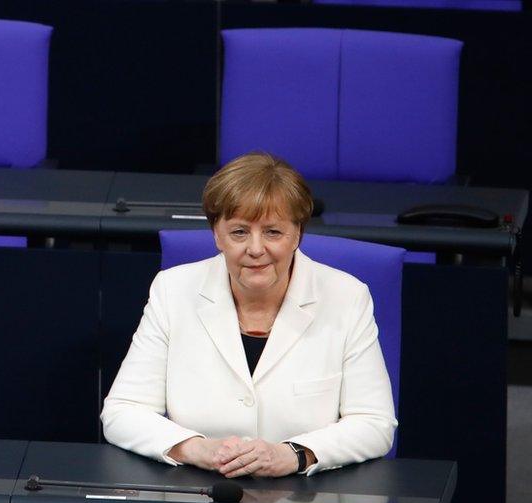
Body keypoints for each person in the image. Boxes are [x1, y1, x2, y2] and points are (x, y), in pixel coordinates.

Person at [101, 152, 397, 478]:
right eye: (240, 232)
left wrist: (294, 454)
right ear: (216, 234)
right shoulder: (173, 290)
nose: (256, 249)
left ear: (297, 233)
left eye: (272, 232)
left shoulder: (347, 297)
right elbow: (122, 412)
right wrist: (199, 449)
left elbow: (374, 423)